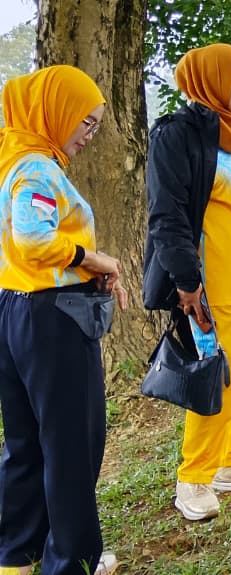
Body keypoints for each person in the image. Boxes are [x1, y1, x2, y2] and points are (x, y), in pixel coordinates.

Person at [143, 43, 231, 522]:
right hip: (211, 286)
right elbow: (168, 215)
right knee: (214, 378)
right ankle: (194, 477)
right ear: (213, 79)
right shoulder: (179, 135)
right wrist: (187, 281)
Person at [0, 64, 123, 575]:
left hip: (12, 312)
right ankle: (69, 563)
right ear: (56, 112)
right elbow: (34, 237)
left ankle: (16, 558)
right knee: (72, 444)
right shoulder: (38, 169)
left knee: (24, 445)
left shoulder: (10, 161)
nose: (89, 136)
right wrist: (95, 260)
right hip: (53, 319)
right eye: (86, 122)